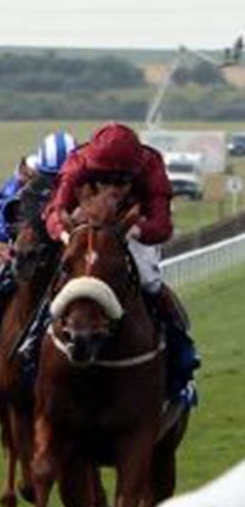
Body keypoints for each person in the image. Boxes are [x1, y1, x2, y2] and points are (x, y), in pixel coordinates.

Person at [38, 121, 198, 403]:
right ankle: (31, 345)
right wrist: (64, 233)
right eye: (105, 180)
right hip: (84, 223)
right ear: (93, 171)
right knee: (57, 277)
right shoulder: (78, 162)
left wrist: (133, 231)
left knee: (149, 281)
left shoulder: (151, 165)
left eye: (122, 181)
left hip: (133, 226)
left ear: (133, 174)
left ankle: (181, 358)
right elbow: (55, 210)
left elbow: (162, 225)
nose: (114, 188)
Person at [0, 129, 76, 358]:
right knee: (4, 282)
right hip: (31, 245)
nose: (55, 182)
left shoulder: (82, 179)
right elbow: (0, 212)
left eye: (60, 177)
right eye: (49, 176)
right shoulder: (24, 176)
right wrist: (6, 237)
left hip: (63, 246)